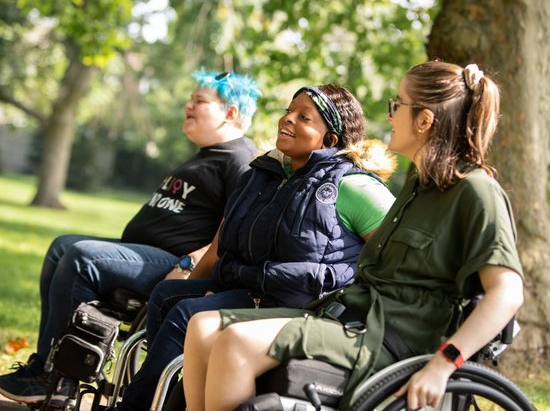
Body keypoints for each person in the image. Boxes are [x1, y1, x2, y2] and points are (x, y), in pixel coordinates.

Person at [182, 61, 525, 411]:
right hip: (348, 317)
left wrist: (444, 362)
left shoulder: (476, 190)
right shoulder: (419, 186)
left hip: (389, 341)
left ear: (424, 120)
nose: (390, 116)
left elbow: (507, 294)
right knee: (203, 329)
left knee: (236, 342)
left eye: (398, 105)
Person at [114, 84, 397, 411]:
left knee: (186, 313)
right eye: (288, 111)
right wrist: (191, 287)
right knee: (168, 296)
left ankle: (136, 406)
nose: (286, 120)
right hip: (252, 287)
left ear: (330, 140)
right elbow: (220, 245)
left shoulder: (353, 185)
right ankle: (165, 397)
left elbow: (393, 254)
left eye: (303, 117)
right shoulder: (264, 176)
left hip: (302, 301)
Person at [0, 70, 261, 406]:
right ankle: (44, 365)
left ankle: (59, 379)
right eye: (190, 99)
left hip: (171, 264)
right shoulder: (208, 153)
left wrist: (189, 262)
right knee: (61, 246)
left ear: (230, 113)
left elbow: (233, 230)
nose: (188, 105)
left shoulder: (239, 159)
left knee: (83, 257)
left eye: (200, 101)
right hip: (146, 252)